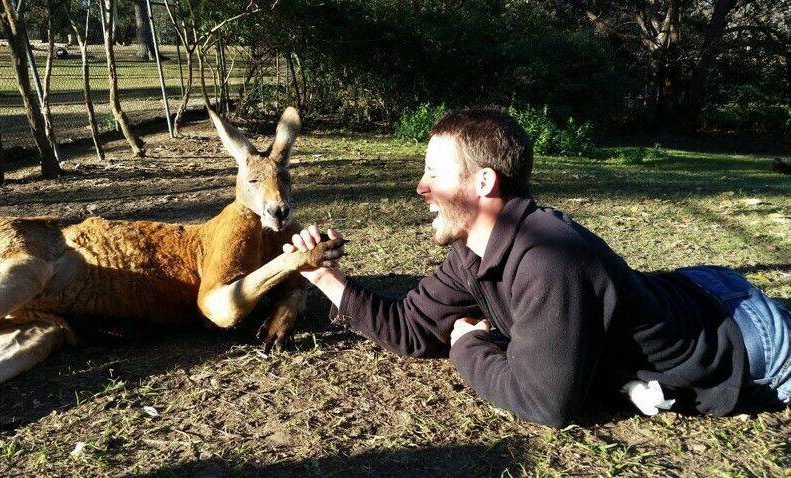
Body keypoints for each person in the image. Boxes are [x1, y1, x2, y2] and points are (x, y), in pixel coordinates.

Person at [282, 109, 791, 428]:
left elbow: (546, 404)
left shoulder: (549, 259)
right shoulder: (473, 254)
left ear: (483, 182)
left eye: (433, 173)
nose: (420, 187)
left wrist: (468, 348)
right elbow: (408, 329)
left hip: (745, 335)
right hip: (693, 286)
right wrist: (323, 276)